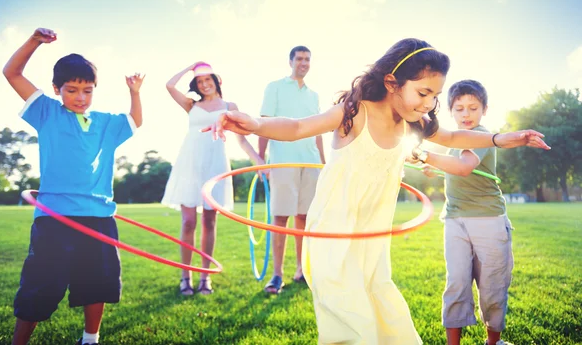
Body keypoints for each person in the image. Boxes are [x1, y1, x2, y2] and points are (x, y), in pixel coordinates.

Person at [203, 38, 550, 344]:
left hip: (371, 239)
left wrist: (503, 138)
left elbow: (455, 138)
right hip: (334, 233)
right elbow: (296, 127)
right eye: (423, 92)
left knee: (384, 311)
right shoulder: (354, 114)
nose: (429, 104)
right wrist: (255, 124)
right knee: (351, 319)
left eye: (435, 96)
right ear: (392, 82)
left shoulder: (411, 122)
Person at [3, 28, 144, 345]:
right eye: (72, 90)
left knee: (98, 283)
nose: (80, 97)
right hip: (55, 217)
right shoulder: (47, 113)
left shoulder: (106, 122)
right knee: (40, 284)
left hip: (98, 215)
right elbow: (12, 73)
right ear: (56, 89)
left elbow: (135, 121)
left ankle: (90, 339)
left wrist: (135, 92)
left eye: (88, 91)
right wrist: (34, 41)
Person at [418, 80, 515, 345]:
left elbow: (464, 167)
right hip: (454, 219)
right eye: (459, 109)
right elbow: (454, 170)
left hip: (488, 220)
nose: (466, 114)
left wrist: (425, 156)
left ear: (484, 109)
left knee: (492, 287)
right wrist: (436, 169)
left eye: (473, 108)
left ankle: (493, 342)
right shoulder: (453, 139)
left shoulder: (481, 135)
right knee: (456, 284)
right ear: (451, 111)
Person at [162, 62, 264, 296]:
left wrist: (257, 160)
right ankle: (185, 276)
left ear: (217, 81)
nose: (205, 84)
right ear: (196, 84)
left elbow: (241, 137)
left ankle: (204, 277)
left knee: (210, 221)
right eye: (200, 81)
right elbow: (169, 85)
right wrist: (190, 67)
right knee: (188, 222)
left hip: (215, 164)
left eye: (208, 79)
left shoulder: (230, 106)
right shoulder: (191, 105)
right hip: (189, 164)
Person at [259, 45, 326, 294]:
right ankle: (277, 275)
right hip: (282, 160)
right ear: (290, 62)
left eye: (308, 59)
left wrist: (323, 162)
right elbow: (263, 123)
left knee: (304, 219)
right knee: (280, 218)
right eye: (299, 58)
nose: (304, 63)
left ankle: (302, 269)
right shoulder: (274, 87)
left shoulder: (313, 95)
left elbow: (318, 130)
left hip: (309, 163)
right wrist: (261, 159)